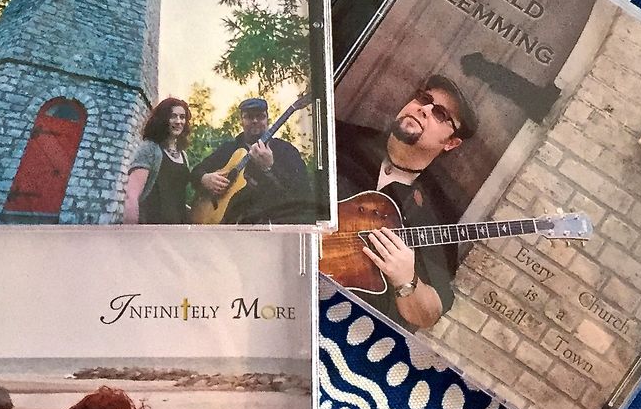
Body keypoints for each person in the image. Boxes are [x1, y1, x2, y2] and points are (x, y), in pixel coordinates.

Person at [331, 75, 479, 331]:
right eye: (423, 98)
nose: (424, 109)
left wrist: (406, 280)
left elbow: (429, 314)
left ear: (451, 143)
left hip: (340, 324)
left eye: (440, 114)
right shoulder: (340, 139)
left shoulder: (436, 215)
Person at [192, 97, 311, 225]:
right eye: (249, 117)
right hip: (231, 226)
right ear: (241, 121)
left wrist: (270, 168)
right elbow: (195, 173)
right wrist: (205, 179)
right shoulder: (229, 149)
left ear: (267, 120)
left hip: (273, 225)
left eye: (260, 116)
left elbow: (302, 194)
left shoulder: (286, 151)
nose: (254, 121)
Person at [124, 98, 194, 224]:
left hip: (177, 230)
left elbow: (176, 199)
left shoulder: (183, 155)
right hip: (151, 228)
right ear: (162, 119)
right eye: (173, 116)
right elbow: (131, 197)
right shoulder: (149, 149)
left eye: (182, 117)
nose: (179, 121)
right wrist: (131, 232)